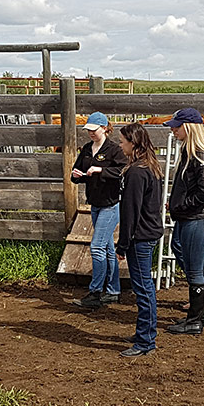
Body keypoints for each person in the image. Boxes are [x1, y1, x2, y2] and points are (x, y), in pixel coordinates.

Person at [164, 108, 204, 336]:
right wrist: (178, 203)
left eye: (177, 126)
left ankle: (194, 320)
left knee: (195, 269)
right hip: (191, 218)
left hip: (195, 219)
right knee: (196, 265)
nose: (173, 130)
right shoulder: (192, 153)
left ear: (189, 127)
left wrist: (181, 205)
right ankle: (201, 314)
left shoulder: (199, 156)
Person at [116, 123, 165, 356]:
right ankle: (144, 333)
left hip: (140, 236)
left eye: (122, 141)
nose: (120, 145)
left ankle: (146, 340)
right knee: (145, 287)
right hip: (148, 232)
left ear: (133, 143)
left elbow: (130, 210)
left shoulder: (136, 172)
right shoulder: (150, 167)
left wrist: (123, 244)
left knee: (144, 288)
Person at [70, 112, 128, 309]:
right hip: (95, 203)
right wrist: (77, 175)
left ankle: (95, 291)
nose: (91, 133)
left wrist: (101, 170)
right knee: (107, 248)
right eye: (88, 130)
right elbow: (77, 172)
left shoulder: (114, 150)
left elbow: (123, 171)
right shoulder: (87, 149)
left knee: (96, 247)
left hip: (111, 204)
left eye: (94, 130)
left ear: (104, 128)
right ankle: (113, 290)